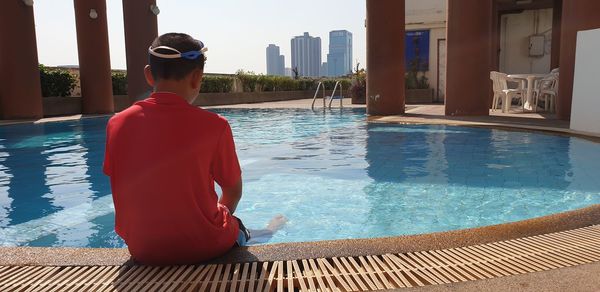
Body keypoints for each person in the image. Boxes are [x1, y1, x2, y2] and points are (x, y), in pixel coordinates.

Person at [103, 33, 286, 265]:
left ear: (149, 75)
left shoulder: (117, 124)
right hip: (206, 246)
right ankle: (269, 230)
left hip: (143, 250)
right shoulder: (215, 126)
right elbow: (233, 191)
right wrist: (218, 216)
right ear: (197, 77)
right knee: (239, 228)